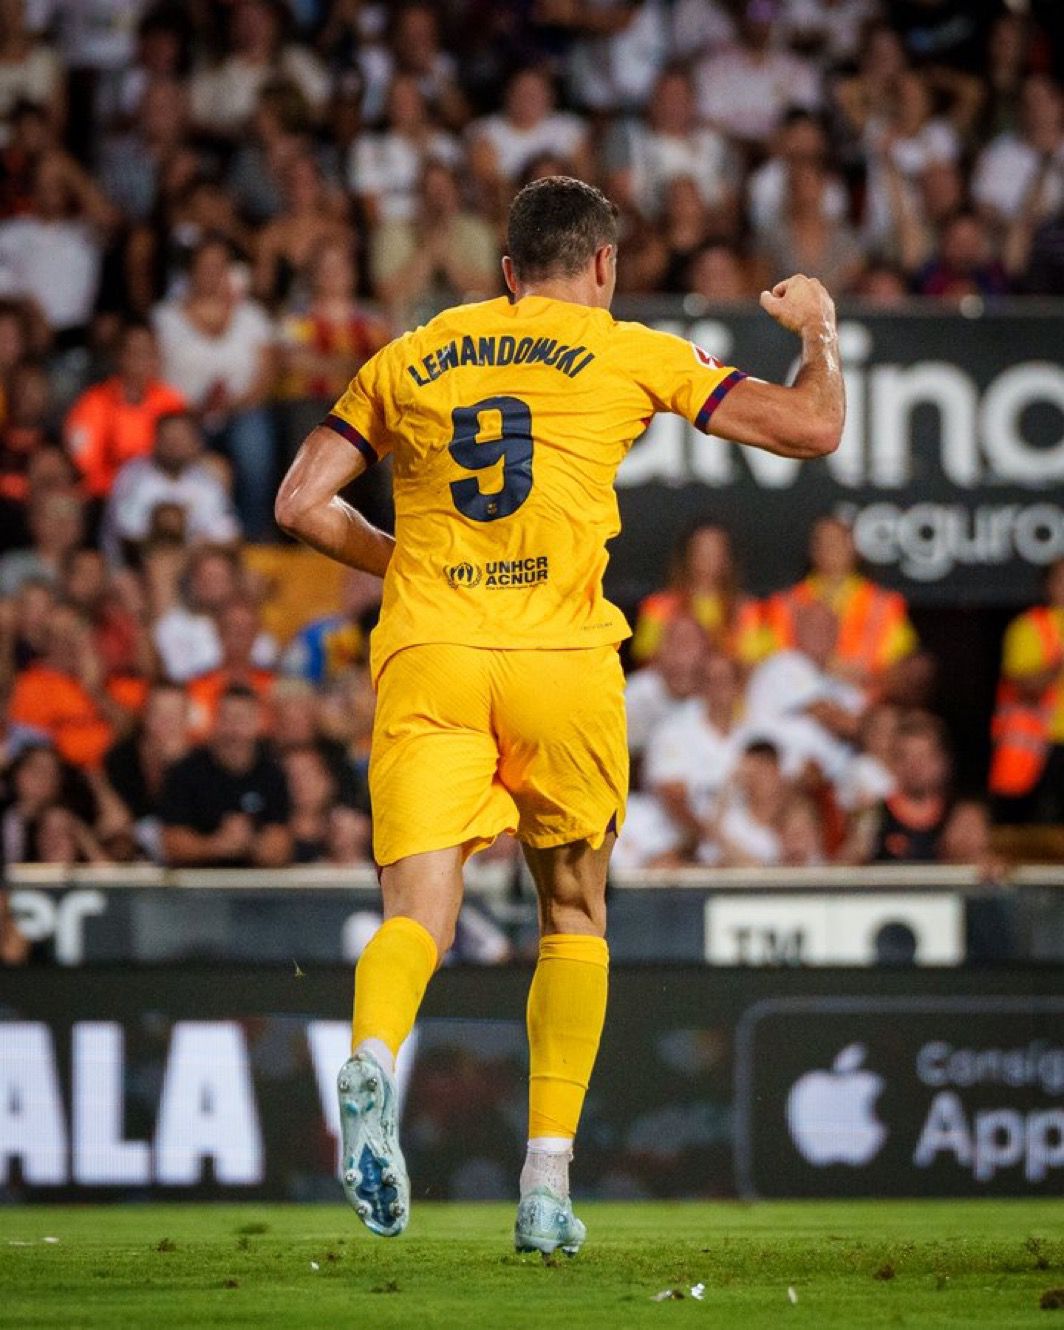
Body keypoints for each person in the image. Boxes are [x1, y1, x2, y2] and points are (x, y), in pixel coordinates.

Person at [275, 175, 843, 1250]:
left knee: (416, 917)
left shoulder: (415, 351)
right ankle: (544, 1184)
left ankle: (373, 1057)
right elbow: (812, 429)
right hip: (561, 664)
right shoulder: (628, 349)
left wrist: (413, 570)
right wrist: (817, 327)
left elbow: (299, 502)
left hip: (433, 655)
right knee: (573, 917)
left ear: (505, 272)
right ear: (604, 265)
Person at [760, 515, 918, 690]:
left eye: (837, 541)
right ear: (812, 550)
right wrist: (824, 669)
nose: (830, 549)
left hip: (867, 699)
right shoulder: (784, 604)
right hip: (799, 697)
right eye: (822, 542)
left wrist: (868, 677)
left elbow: (902, 669)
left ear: (853, 547)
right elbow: (765, 660)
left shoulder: (883, 605)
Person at [160, 683, 291, 868]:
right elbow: (171, 843)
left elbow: (281, 847)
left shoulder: (273, 774)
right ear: (215, 721)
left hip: (256, 882)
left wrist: (248, 842)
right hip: (198, 881)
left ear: (257, 723)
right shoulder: (185, 771)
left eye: (241, 720)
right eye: (226, 718)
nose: (233, 730)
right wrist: (216, 845)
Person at [64, 322, 186, 501]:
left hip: (161, 494)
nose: (140, 361)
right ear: (118, 355)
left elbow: (182, 454)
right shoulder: (93, 403)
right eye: (133, 352)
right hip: (105, 496)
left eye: (147, 353)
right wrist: (126, 486)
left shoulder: (171, 401)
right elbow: (84, 464)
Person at [103, 409, 241, 564]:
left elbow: (229, 539)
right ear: (155, 441)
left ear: (196, 443)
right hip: (133, 566)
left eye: (182, 437)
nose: (175, 444)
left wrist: (187, 549)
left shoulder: (205, 480)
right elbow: (128, 537)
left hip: (192, 565)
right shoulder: (135, 475)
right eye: (169, 437)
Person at [988, 558, 1064, 825]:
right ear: (1048, 585)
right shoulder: (1029, 627)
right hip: (1040, 747)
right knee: (1034, 825)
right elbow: (1024, 685)